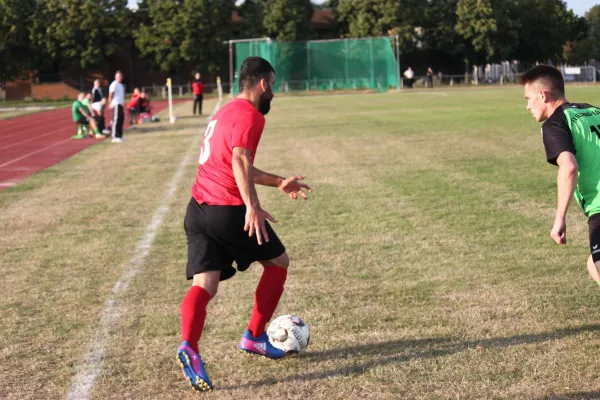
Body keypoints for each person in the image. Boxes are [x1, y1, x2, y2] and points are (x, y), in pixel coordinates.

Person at [176, 57, 312, 392]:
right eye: (274, 85)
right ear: (263, 83)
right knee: (279, 263)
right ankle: (253, 336)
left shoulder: (225, 110)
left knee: (204, 285)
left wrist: (278, 181)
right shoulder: (251, 115)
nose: (274, 93)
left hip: (198, 209)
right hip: (227, 209)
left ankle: (189, 347)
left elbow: (232, 164)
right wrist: (253, 207)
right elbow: (239, 160)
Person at [521, 64, 600, 286]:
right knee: (593, 264)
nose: (528, 106)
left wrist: (559, 218)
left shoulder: (555, 123)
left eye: (528, 98)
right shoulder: (594, 111)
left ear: (542, 95)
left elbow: (569, 167)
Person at [108, 71, 125, 143]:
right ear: (115, 77)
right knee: (116, 120)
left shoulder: (120, 85)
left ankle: (119, 136)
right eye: (118, 76)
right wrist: (110, 103)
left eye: (120, 76)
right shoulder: (114, 84)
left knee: (121, 120)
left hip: (120, 104)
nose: (119, 78)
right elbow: (111, 94)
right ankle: (114, 136)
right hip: (116, 103)